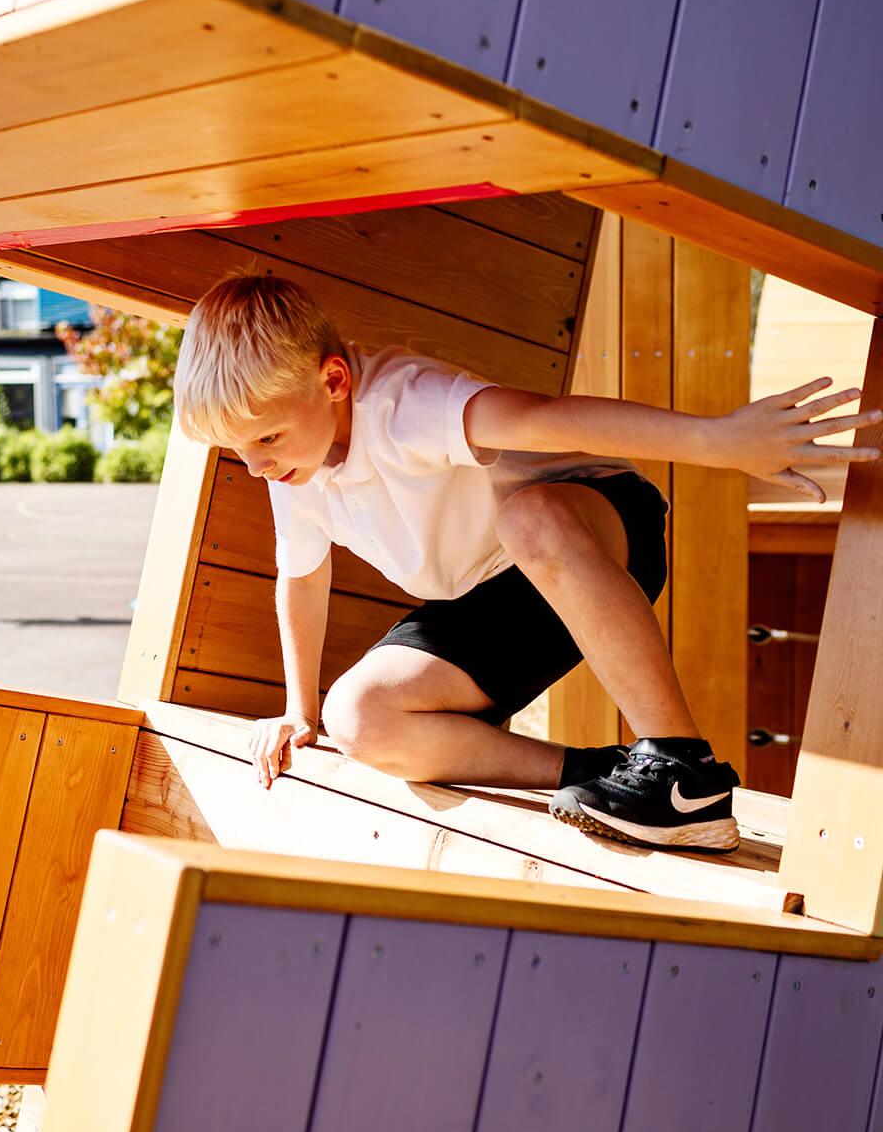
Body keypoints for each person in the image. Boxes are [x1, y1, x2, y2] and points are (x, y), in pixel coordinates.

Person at [172, 274, 879, 854]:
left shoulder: (406, 405)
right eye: (241, 451)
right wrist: (299, 711)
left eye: (266, 438)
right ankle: (599, 771)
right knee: (357, 717)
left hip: (595, 528)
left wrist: (718, 440)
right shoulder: (295, 464)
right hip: (490, 593)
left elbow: (548, 417)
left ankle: (680, 765)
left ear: (333, 381)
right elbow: (301, 575)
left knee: (527, 515)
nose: (258, 465)